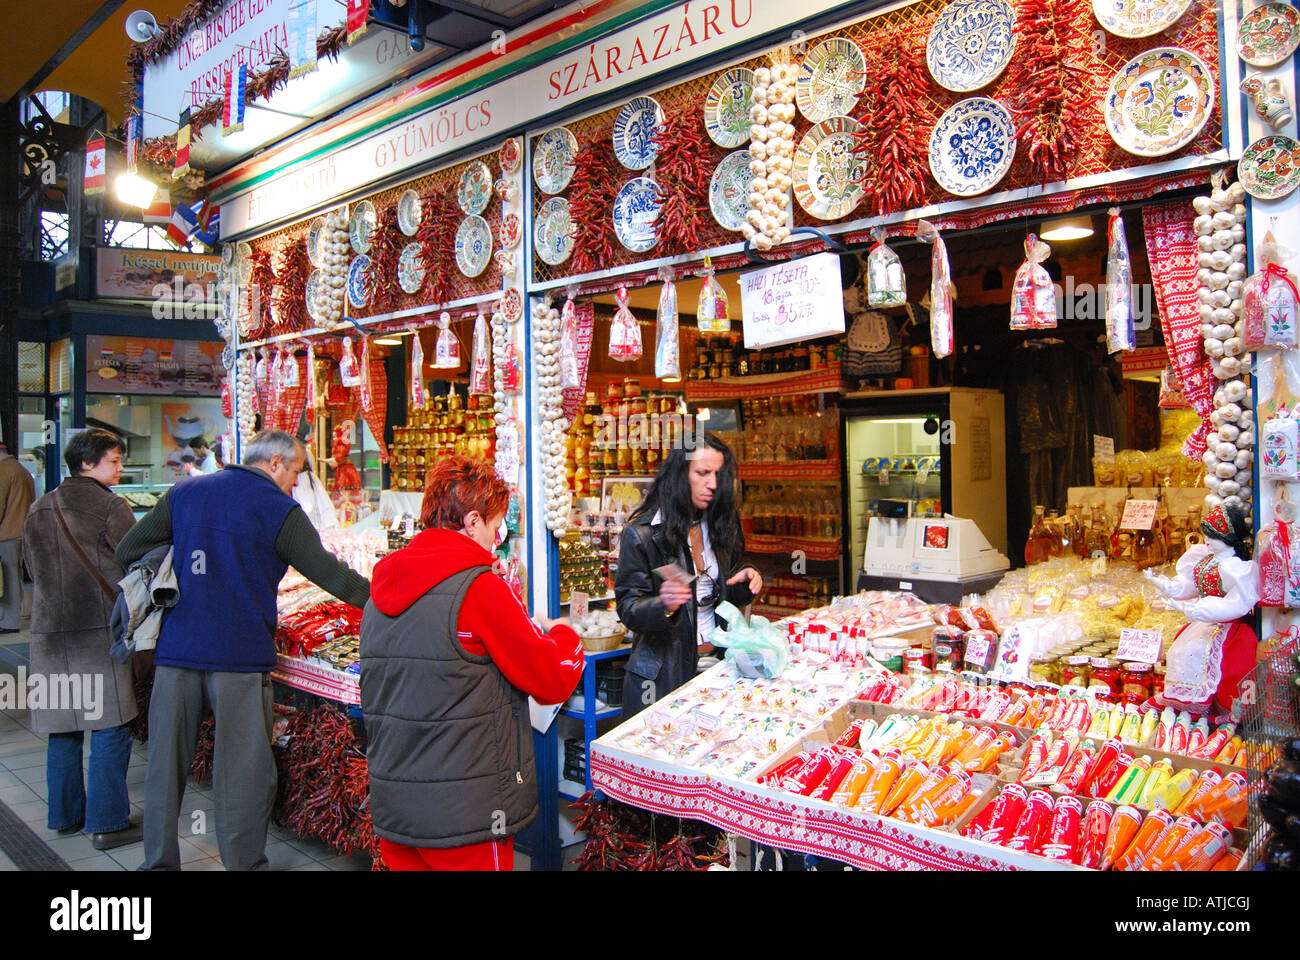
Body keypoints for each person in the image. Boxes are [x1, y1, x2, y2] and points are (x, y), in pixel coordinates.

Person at [116, 429, 370, 871]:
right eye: (294, 471)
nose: (295, 482)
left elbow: (129, 548)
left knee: (164, 767)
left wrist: (186, 560)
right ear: (274, 463)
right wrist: (396, 598)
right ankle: (244, 864)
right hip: (240, 656)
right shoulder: (279, 509)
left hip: (178, 651)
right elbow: (333, 576)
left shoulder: (185, 491)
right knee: (243, 771)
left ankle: (156, 864)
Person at [360, 455, 583, 871]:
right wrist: (564, 635)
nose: (496, 540)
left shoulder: (380, 589)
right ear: (473, 522)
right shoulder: (479, 588)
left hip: (395, 805)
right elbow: (551, 679)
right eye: (496, 529)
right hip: (468, 816)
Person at [22, 429, 140, 848]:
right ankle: (107, 822)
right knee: (111, 726)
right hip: (98, 634)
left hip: (49, 635)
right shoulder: (110, 505)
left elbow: (31, 573)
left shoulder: (39, 507)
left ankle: (65, 816)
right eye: (114, 460)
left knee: (64, 729)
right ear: (87, 464)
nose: (121, 467)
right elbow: (135, 560)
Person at [615, 433, 764, 720]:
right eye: (702, 473)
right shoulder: (643, 534)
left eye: (718, 474)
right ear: (680, 475)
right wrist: (663, 605)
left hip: (719, 667)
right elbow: (629, 609)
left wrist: (744, 582)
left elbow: (721, 596)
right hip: (663, 677)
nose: (713, 483)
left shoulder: (722, 524)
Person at [0, 439, 36, 630]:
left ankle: (8, 621)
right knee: (14, 578)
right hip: (21, 532)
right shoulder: (22, 471)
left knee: (7, 580)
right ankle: (11, 618)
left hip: (6, 534)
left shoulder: (3, 471)